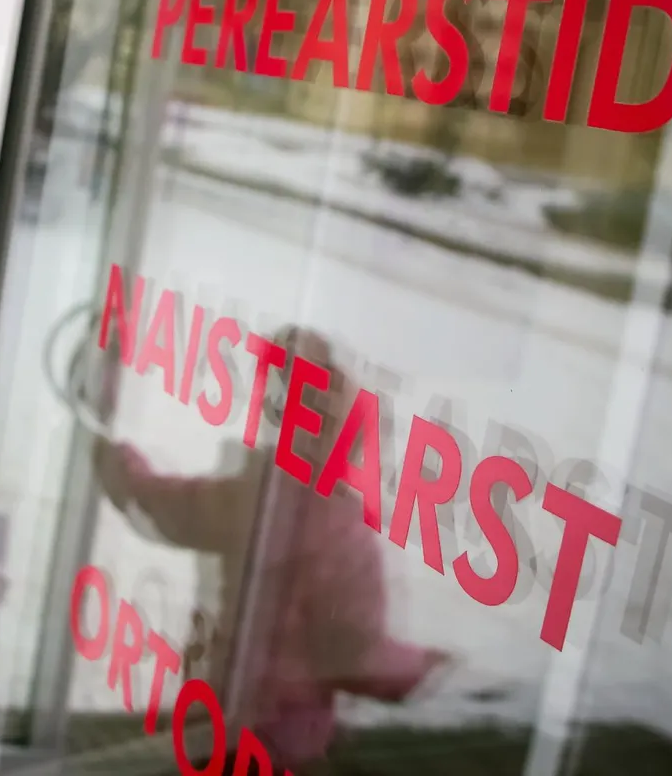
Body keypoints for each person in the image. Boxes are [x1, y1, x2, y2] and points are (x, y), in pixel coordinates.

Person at [93, 325, 448, 772]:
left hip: (218, 709)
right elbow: (356, 655)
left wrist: (122, 467)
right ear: (350, 440)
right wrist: (428, 670)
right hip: (283, 741)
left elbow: (168, 504)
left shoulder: (249, 497)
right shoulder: (343, 534)